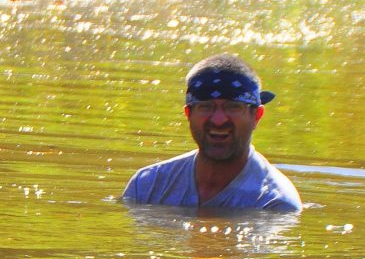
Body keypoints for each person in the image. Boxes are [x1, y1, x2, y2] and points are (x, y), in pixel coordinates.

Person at [123, 53, 302, 211]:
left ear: (256, 116)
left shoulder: (275, 203)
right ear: (188, 114)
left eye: (233, 107)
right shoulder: (147, 186)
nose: (218, 120)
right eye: (206, 107)